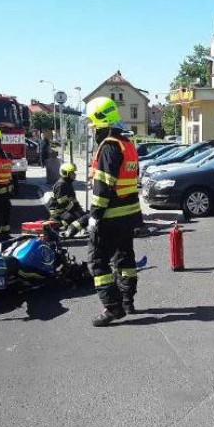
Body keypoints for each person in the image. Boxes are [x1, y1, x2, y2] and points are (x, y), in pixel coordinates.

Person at [85, 96, 143, 327]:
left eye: (93, 125)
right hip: (128, 214)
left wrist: (94, 216)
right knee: (125, 258)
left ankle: (113, 308)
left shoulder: (108, 146)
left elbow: (103, 186)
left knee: (97, 263)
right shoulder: (127, 144)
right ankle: (127, 301)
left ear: (100, 122)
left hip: (110, 216)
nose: (92, 130)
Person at [48, 163, 89, 237]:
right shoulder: (61, 185)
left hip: (63, 210)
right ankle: (59, 226)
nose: (74, 174)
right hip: (57, 212)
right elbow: (63, 203)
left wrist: (80, 210)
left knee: (82, 215)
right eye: (72, 173)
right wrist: (75, 212)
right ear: (65, 173)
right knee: (74, 217)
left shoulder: (68, 183)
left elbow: (74, 200)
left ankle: (79, 228)